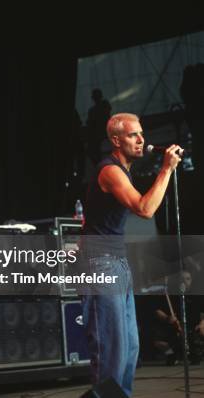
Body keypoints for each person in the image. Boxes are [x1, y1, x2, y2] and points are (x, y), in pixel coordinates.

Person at [80, 113, 182, 396]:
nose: (141, 140)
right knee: (111, 351)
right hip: (100, 264)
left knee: (129, 350)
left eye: (141, 134)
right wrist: (166, 170)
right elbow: (145, 209)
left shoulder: (123, 170)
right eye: (132, 135)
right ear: (116, 140)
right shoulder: (110, 170)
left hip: (117, 264)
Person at [86, 89, 112, 166]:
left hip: (100, 134)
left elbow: (90, 123)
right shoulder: (103, 106)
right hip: (102, 133)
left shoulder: (94, 110)